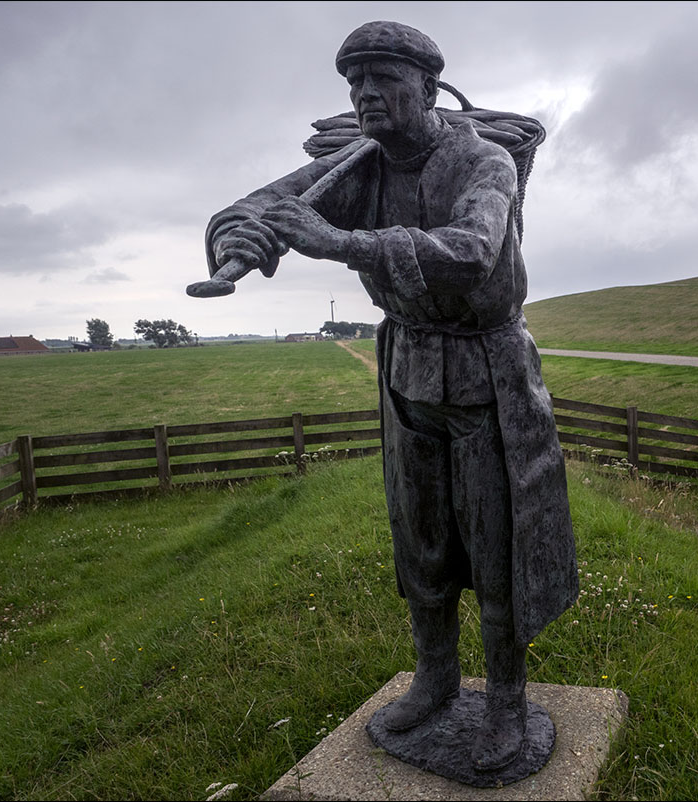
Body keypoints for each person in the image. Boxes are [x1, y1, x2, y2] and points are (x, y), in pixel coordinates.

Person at [203, 21, 578, 771]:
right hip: (407, 372)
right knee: (423, 543)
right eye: (355, 83)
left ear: (428, 89)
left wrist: (336, 243)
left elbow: (473, 253)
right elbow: (257, 204)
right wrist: (238, 238)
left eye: (385, 81)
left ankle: (505, 701)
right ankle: (436, 680)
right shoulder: (359, 163)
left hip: (485, 380)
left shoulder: (484, 161)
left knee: (498, 549)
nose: (367, 95)